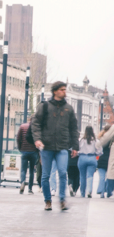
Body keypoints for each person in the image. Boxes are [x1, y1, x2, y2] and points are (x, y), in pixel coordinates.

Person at [31, 81, 79, 211]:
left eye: (65, 89)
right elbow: (35, 124)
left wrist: (75, 146)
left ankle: (62, 200)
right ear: (55, 91)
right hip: (46, 146)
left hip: (62, 146)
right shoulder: (45, 106)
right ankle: (48, 200)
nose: (65, 92)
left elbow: (74, 129)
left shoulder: (68, 109)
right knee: (45, 175)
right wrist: (37, 139)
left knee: (63, 173)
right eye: (62, 90)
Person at [77, 126, 101, 198]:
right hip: (92, 158)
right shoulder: (96, 140)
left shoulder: (81, 140)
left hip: (82, 157)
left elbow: (78, 149)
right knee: (90, 176)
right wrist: (96, 154)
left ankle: (82, 193)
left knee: (82, 176)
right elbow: (100, 151)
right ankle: (89, 191)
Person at [17, 119, 38, 194]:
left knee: (23, 170)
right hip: (33, 151)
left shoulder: (22, 126)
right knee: (32, 170)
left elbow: (18, 138)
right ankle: (30, 189)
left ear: (29, 119)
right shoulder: (36, 127)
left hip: (24, 151)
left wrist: (20, 148)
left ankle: (22, 182)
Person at [97, 125, 114, 198]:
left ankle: (104, 190)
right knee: (109, 175)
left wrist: (98, 144)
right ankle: (108, 190)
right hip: (108, 159)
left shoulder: (104, 137)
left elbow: (103, 141)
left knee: (105, 176)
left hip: (102, 159)